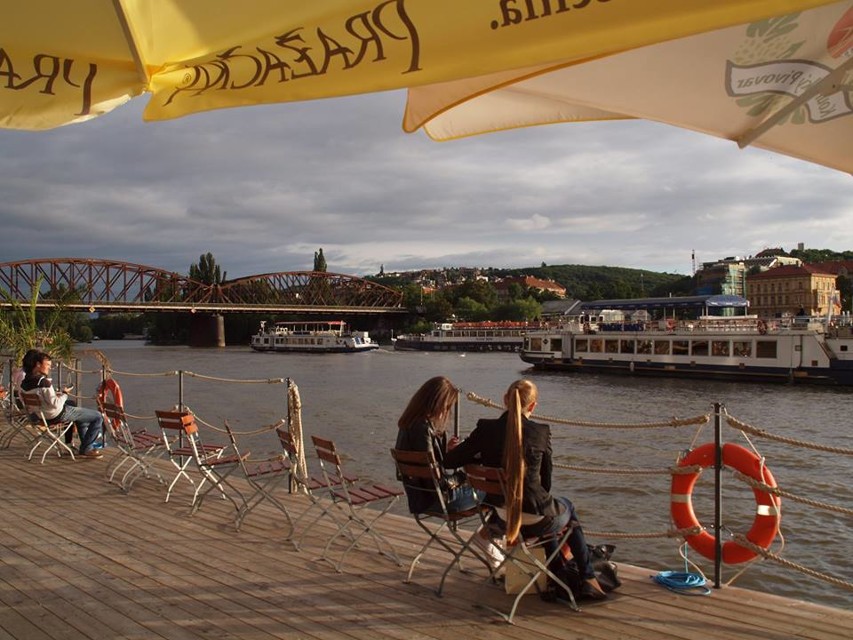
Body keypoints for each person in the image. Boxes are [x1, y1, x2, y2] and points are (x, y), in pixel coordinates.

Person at [443, 378, 607, 600]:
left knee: (549, 514)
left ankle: (559, 578)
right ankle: (588, 579)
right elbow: (546, 483)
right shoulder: (541, 431)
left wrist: (470, 453)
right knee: (566, 509)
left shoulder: (486, 428)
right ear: (533, 406)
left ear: (505, 400)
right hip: (534, 520)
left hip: (502, 517)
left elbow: (449, 461)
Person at [395, 376, 482, 514]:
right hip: (440, 501)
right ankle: (489, 533)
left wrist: (444, 452)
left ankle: (489, 532)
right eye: (447, 407)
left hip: (418, 500)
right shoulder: (424, 429)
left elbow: (426, 467)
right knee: (495, 492)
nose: (447, 412)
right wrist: (463, 477)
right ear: (438, 404)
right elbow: (438, 482)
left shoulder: (407, 424)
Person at [20, 350, 104, 459]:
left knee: (72, 405)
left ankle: (74, 443)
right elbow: (55, 404)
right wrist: (64, 394)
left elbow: (41, 398)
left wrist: (57, 395)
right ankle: (86, 449)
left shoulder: (25, 382)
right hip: (55, 415)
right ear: (38, 364)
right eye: (48, 365)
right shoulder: (43, 382)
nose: (49, 367)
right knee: (97, 416)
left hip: (40, 416)